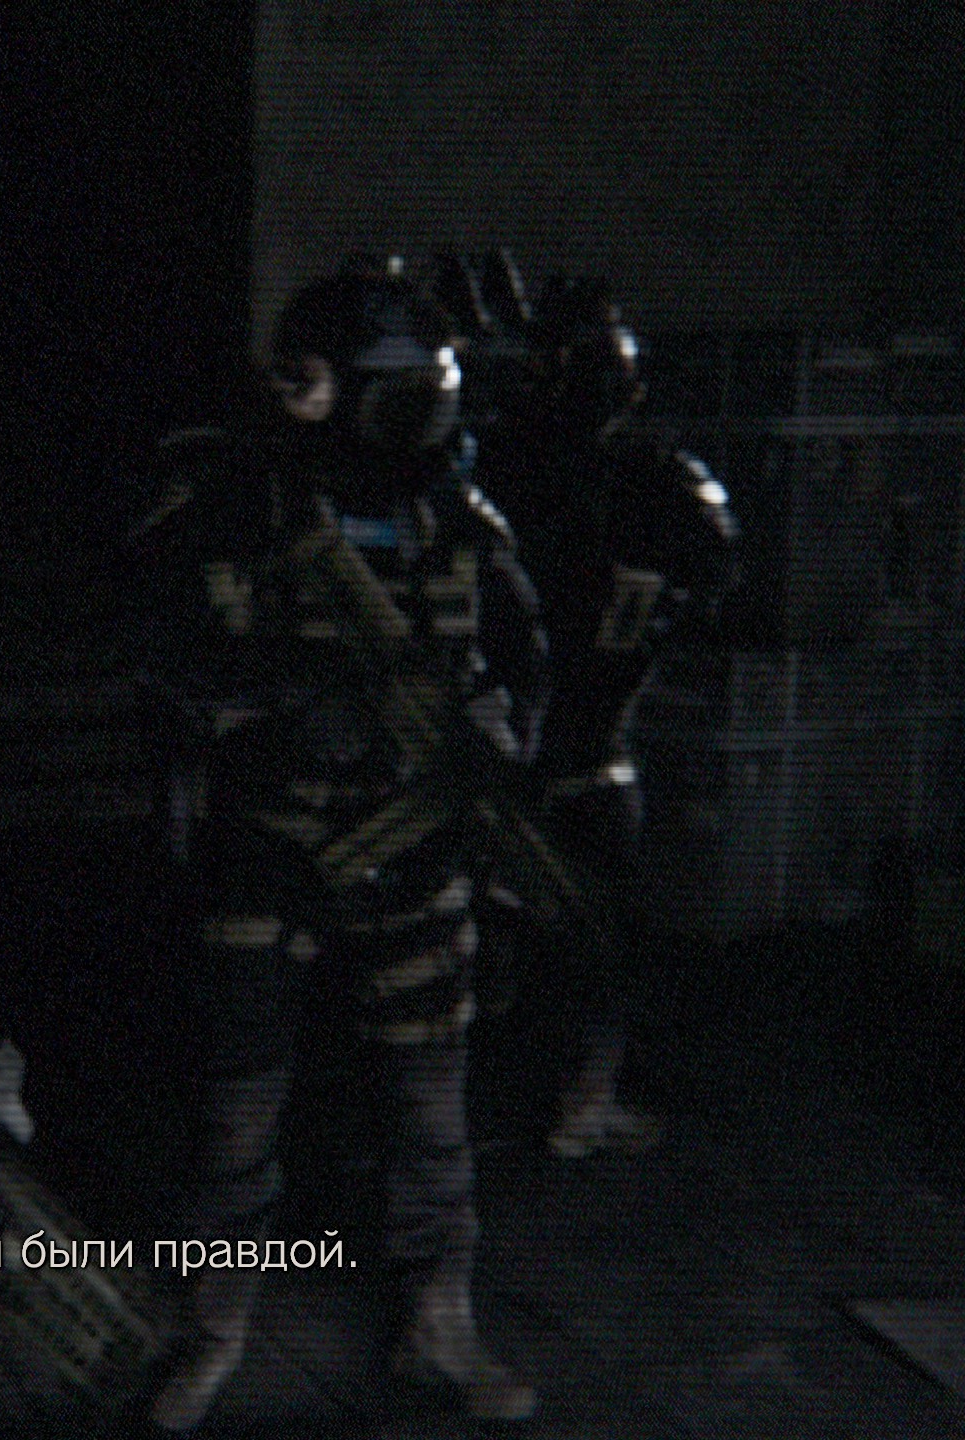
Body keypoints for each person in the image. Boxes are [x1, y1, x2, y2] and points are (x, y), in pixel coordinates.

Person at [125, 256, 547, 1430]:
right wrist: (281, 692)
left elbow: (520, 662)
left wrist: (490, 751)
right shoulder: (229, 502)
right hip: (267, 853)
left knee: (430, 1112)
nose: (424, 416)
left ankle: (438, 1326)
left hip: (414, 858)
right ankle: (212, 1327)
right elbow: (156, 650)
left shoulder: (453, 517)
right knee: (236, 1113)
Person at [467, 270, 740, 1160]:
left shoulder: (633, 479)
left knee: (588, 940)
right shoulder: (498, 470)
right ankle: (549, 1102)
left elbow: (709, 575)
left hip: (560, 747)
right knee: (523, 942)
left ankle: (569, 1101)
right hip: (509, 746)